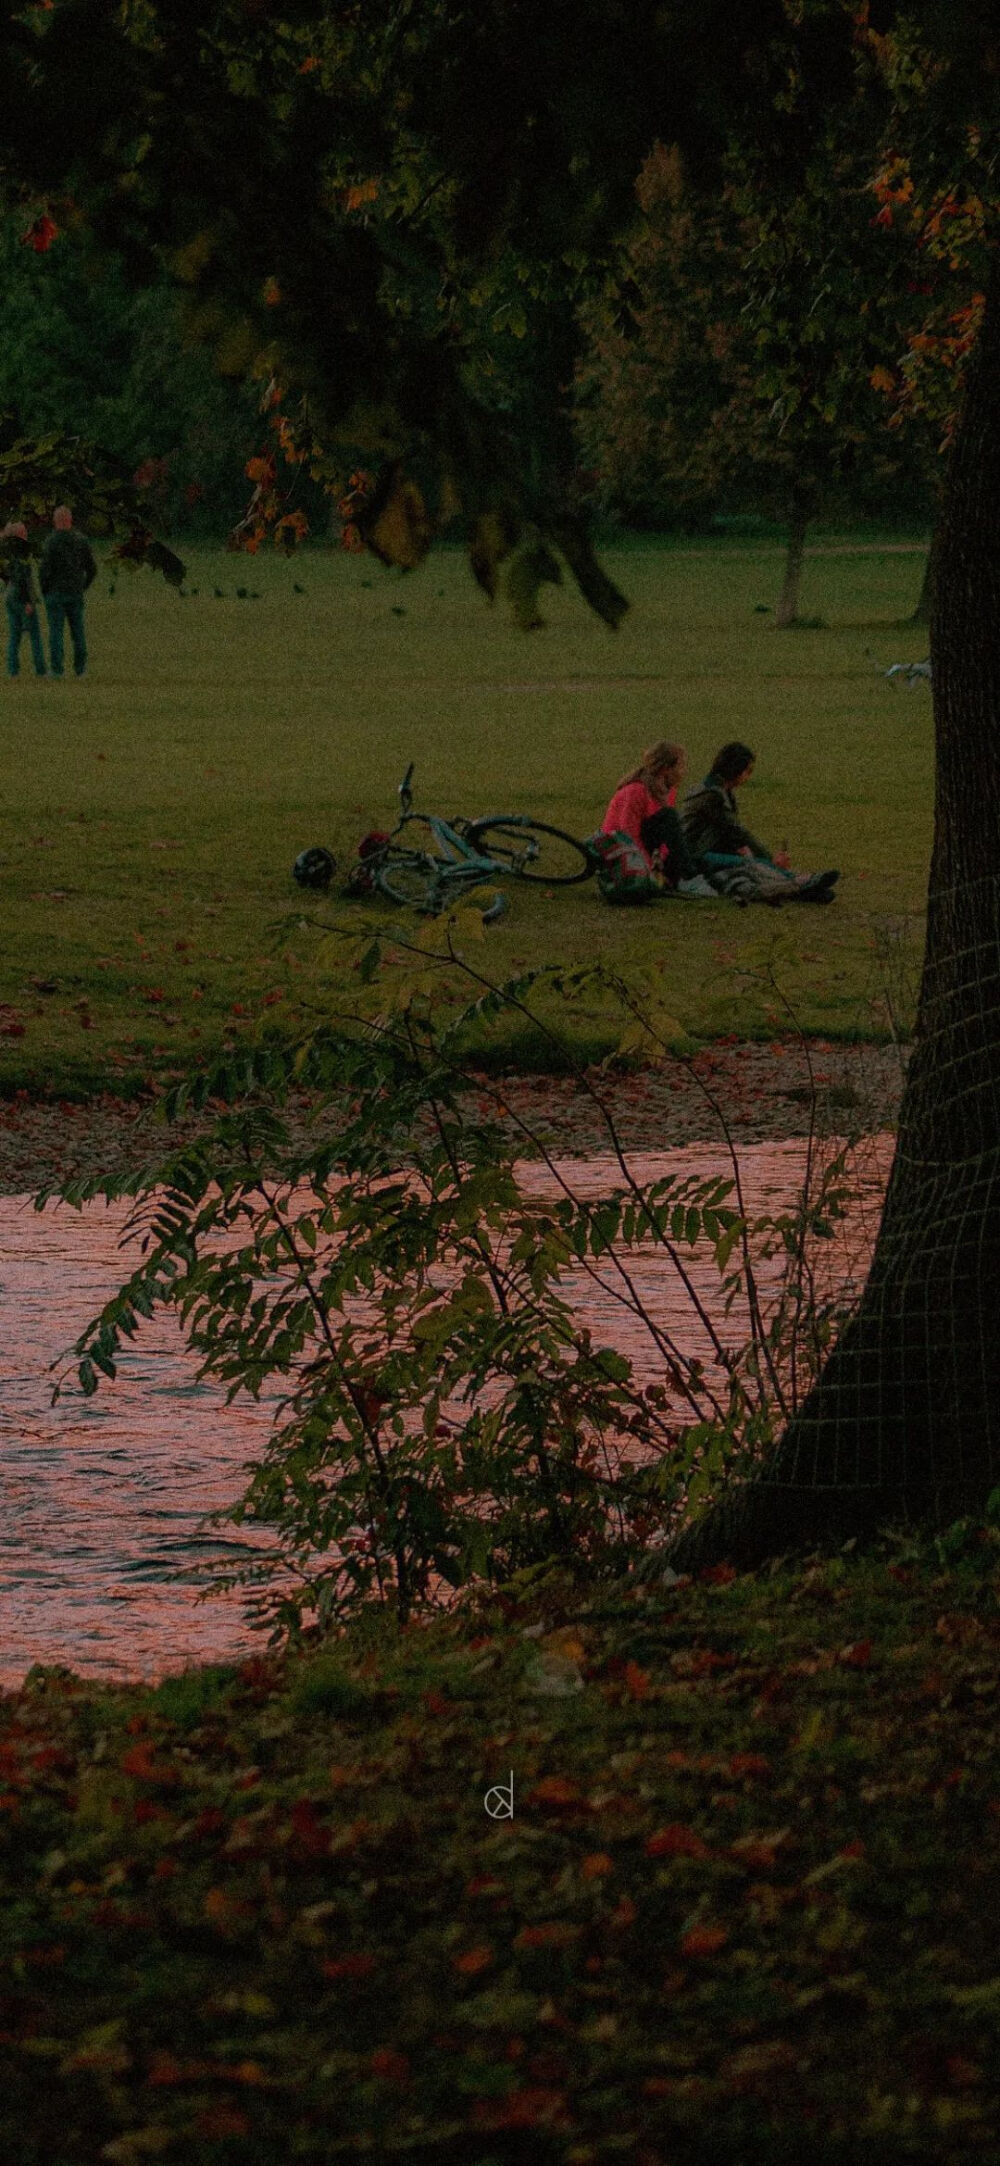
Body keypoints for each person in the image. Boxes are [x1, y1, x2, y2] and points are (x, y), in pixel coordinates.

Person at [680, 741, 840, 904]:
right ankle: (801, 881)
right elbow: (737, 831)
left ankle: (804, 890)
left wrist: (740, 848)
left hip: (708, 850)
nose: (749, 776)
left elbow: (727, 832)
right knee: (753, 864)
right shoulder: (712, 795)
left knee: (750, 871)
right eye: (748, 771)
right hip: (698, 855)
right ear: (736, 769)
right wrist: (769, 859)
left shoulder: (720, 790)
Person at [601, 742, 716, 897]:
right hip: (621, 853)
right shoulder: (635, 791)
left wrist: (660, 859)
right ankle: (688, 879)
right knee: (669, 816)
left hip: (648, 852)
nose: (685, 771)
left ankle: (689, 878)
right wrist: (649, 869)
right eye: (681, 766)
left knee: (701, 861)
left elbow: (668, 835)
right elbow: (628, 837)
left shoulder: (668, 790)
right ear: (665, 769)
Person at [39, 504, 97, 679]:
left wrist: (45, 590)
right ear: (70, 520)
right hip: (75, 592)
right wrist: (83, 586)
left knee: (56, 632)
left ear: (55, 521)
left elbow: (44, 571)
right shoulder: (81, 541)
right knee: (78, 632)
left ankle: (57, 670)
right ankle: (80, 669)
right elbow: (92, 569)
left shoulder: (50, 542)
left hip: (55, 593)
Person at [2, 521, 46, 679]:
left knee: (15, 635)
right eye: (24, 532)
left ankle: (12, 670)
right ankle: (41, 670)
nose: (26, 534)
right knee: (34, 635)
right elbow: (23, 577)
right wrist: (28, 601)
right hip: (21, 596)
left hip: (9, 595)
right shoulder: (22, 552)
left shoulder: (6, 551)